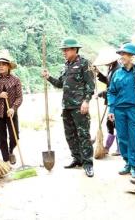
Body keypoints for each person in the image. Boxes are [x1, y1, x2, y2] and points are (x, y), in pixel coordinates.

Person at [41, 37, 95, 177]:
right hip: (67, 106)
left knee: (83, 135)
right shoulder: (66, 65)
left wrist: (86, 101)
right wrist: (48, 77)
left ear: (74, 49)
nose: (63, 52)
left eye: (66, 49)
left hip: (79, 106)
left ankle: (88, 163)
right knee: (70, 135)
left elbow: (91, 85)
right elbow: (60, 84)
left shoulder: (84, 63)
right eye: (63, 50)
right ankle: (77, 159)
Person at [107, 43, 135, 178]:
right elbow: (111, 92)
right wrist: (111, 109)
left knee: (134, 138)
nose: (121, 57)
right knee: (122, 138)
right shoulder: (117, 73)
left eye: (124, 54)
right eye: (121, 54)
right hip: (119, 110)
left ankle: (134, 165)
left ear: (133, 56)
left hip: (134, 109)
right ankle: (127, 163)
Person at [0, 57, 23, 165]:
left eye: (4, 64)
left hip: (11, 112)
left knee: (15, 136)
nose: (1, 66)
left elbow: (19, 97)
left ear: (9, 66)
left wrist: (13, 108)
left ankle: (11, 151)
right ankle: (6, 160)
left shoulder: (15, 80)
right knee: (2, 138)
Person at [92, 51, 121, 156]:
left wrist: (101, 93)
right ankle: (107, 147)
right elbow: (108, 82)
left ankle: (119, 149)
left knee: (117, 125)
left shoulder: (118, 69)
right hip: (111, 101)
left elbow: (114, 89)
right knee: (110, 124)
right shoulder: (112, 68)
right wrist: (98, 73)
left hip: (117, 102)